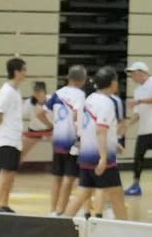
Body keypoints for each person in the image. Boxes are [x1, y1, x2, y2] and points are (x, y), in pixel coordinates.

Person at [66, 66, 127, 221]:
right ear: (112, 83)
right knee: (117, 195)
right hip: (100, 158)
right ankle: (126, 229)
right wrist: (103, 157)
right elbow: (101, 130)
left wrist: (113, 143)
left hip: (86, 155)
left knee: (82, 193)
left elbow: (87, 127)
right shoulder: (106, 103)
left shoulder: (90, 99)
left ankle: (61, 224)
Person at [46, 66, 87, 215]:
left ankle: (52, 210)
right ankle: (61, 210)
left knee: (56, 175)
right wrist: (79, 135)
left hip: (57, 139)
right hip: (72, 141)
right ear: (82, 80)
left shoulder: (58, 93)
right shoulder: (80, 95)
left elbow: (42, 112)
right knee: (69, 177)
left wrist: (53, 126)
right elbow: (77, 115)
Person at [124, 62, 152, 197]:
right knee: (138, 158)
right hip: (143, 130)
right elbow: (138, 113)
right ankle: (136, 185)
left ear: (141, 72)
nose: (131, 76)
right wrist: (127, 124)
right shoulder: (137, 91)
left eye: (133, 73)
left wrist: (139, 101)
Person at [0, 57, 26, 212]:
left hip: (15, 138)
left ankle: (4, 204)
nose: (25, 73)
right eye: (23, 70)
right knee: (5, 172)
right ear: (16, 72)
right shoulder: (6, 91)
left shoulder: (16, 90)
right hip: (7, 138)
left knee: (11, 173)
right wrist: (5, 130)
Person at [20, 79, 50, 161]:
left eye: (39, 91)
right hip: (35, 130)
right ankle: (13, 167)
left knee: (62, 150)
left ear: (45, 91)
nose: (37, 94)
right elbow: (20, 115)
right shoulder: (29, 103)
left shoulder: (52, 100)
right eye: (35, 91)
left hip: (51, 130)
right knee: (22, 153)